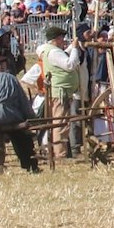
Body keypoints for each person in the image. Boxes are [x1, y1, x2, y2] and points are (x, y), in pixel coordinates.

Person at [37, 25, 81, 160]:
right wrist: (75, 48)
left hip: (60, 92)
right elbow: (70, 65)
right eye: (61, 38)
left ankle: (59, 152)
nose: (63, 40)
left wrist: (72, 47)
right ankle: (60, 154)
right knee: (60, 124)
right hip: (59, 93)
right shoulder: (53, 52)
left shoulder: (52, 51)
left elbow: (63, 56)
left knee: (61, 123)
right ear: (55, 39)